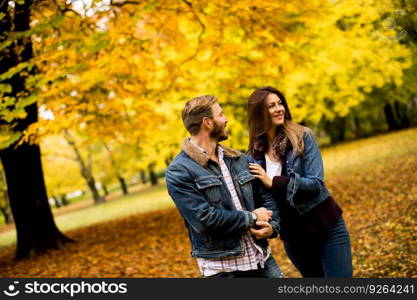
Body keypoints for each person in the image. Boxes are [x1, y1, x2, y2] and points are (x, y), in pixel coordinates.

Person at [166, 95, 283, 278]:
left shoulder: (238, 159)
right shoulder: (180, 171)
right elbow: (204, 220)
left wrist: (273, 227)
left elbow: (266, 197)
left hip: (261, 259)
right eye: (220, 114)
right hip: (224, 270)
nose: (226, 119)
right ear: (208, 122)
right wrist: (252, 217)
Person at [246, 86, 353, 278]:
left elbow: (316, 183)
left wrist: (274, 182)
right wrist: (271, 227)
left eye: (280, 104)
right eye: (271, 106)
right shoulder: (253, 156)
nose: (279, 109)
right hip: (295, 237)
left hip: (326, 227)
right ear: (259, 113)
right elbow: (266, 201)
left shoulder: (302, 136)